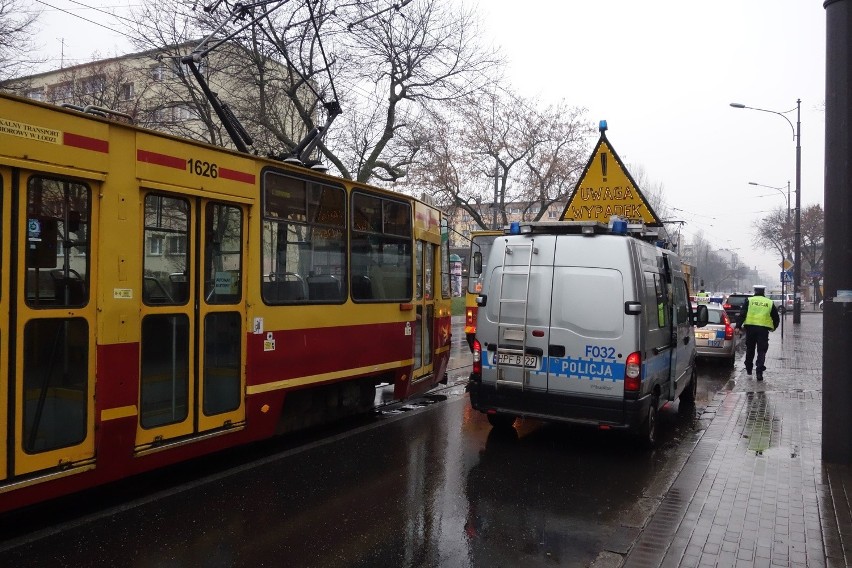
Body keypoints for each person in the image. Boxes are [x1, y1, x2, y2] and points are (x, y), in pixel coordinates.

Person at [736, 284, 780, 381]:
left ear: (755, 291)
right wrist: (774, 327)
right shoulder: (769, 302)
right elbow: (776, 317)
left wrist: (738, 326)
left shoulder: (749, 300)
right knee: (761, 351)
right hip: (763, 330)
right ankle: (759, 372)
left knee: (750, 349)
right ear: (763, 292)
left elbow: (742, 314)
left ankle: (749, 369)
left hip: (750, 328)